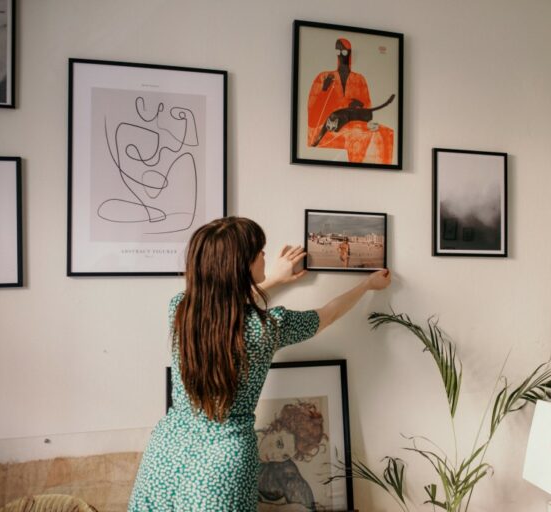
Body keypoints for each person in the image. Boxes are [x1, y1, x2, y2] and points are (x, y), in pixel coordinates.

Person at [128, 216, 391, 511]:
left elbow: (223, 309)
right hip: (222, 464)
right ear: (242, 266)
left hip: (166, 452)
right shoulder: (266, 328)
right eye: (259, 251)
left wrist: (272, 280)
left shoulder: (180, 309)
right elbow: (326, 315)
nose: (265, 254)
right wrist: (367, 285)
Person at [306, 37, 394, 164]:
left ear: (350, 54)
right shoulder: (323, 77)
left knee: (385, 133)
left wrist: (359, 106)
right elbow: (312, 115)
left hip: (354, 125)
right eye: (338, 52)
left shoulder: (359, 80)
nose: (341, 57)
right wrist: (324, 91)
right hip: (329, 129)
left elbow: (368, 114)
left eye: (345, 52)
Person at [257, 400, 326, 511]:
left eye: (285, 455)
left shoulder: (284, 469)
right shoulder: (242, 440)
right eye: (279, 444)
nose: (276, 456)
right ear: (275, 429)